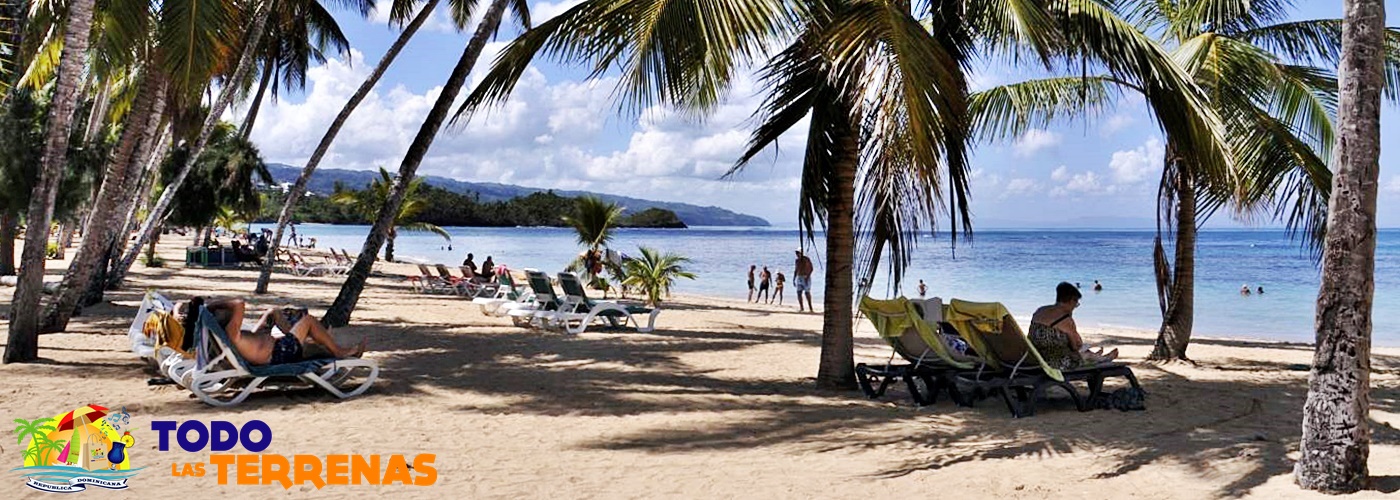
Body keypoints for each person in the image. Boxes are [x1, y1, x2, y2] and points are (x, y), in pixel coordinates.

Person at [178, 297, 365, 366]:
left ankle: (310, 338)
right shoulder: (230, 332)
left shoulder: (224, 332)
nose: (222, 311)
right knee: (307, 320)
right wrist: (213, 305)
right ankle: (337, 350)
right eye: (220, 312)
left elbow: (179, 307)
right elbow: (239, 303)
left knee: (273, 313)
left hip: (264, 344)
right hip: (278, 353)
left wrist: (197, 310)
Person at [1028, 282, 1118, 370]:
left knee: (1082, 351)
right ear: (1071, 301)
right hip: (1054, 362)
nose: (1075, 307)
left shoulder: (1040, 311)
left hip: (1034, 357)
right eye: (1076, 304)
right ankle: (1102, 358)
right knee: (1084, 353)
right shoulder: (1064, 319)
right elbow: (1076, 346)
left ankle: (1096, 356)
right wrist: (1069, 317)